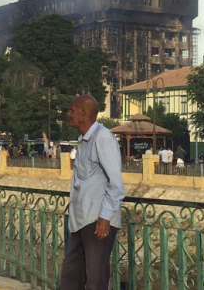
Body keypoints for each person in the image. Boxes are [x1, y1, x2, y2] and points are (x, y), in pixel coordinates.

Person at [59, 95, 125, 290]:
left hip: (97, 221)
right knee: (70, 278)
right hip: (81, 221)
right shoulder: (84, 141)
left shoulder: (102, 137)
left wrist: (105, 216)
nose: (68, 114)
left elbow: (116, 184)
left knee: (95, 280)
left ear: (83, 113)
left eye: (72, 110)